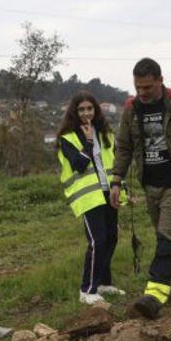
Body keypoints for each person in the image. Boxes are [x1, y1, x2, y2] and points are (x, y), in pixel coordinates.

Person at [109, 58, 171, 319]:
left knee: (167, 238)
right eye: (137, 87)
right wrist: (116, 180)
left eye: (147, 87)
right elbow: (123, 146)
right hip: (150, 185)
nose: (142, 93)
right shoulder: (131, 109)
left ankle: (155, 293)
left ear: (160, 81)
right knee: (169, 236)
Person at [57, 91, 127, 307]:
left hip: (108, 192)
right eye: (81, 109)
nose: (86, 113)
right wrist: (87, 141)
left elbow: (115, 164)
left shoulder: (106, 133)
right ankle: (87, 290)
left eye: (90, 108)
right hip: (89, 196)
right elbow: (79, 164)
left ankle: (104, 283)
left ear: (95, 110)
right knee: (97, 241)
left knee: (111, 237)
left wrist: (123, 190)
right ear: (74, 112)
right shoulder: (67, 138)